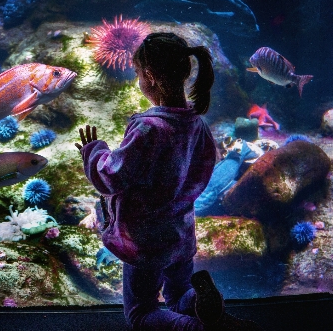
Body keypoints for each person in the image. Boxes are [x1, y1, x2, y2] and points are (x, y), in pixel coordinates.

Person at [75, 32, 264, 331]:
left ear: (148, 76)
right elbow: (204, 171)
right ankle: (208, 307)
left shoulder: (149, 129)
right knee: (178, 294)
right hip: (180, 233)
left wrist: (93, 151)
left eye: (137, 73)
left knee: (141, 312)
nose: (138, 79)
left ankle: (199, 329)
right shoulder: (196, 123)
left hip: (144, 240)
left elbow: (111, 176)